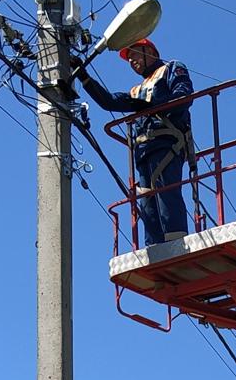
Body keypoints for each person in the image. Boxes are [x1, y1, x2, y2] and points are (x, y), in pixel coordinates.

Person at [78, 37, 195, 247]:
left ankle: (177, 246)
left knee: (167, 194)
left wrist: (150, 106)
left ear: (149, 51)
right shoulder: (136, 90)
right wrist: (83, 76)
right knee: (147, 203)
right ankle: (155, 248)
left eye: (134, 55)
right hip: (142, 151)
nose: (131, 61)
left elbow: (183, 97)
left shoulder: (170, 69)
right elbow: (109, 101)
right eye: (128, 58)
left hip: (166, 143)